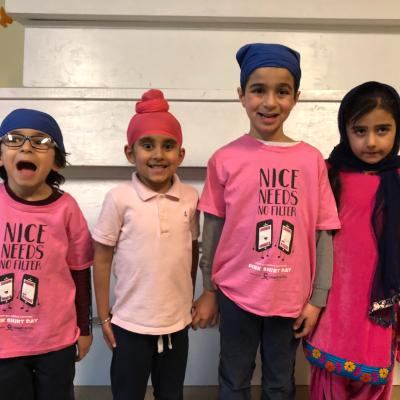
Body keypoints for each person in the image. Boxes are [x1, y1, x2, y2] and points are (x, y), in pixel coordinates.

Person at [191, 43, 341, 400]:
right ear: (241, 95)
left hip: (291, 298)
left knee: (280, 382)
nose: (270, 102)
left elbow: (323, 232)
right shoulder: (224, 159)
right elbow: (212, 231)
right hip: (235, 293)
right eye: (258, 90)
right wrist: (209, 290)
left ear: (296, 97)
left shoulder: (311, 161)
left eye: (282, 91)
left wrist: (317, 299)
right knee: (233, 378)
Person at [93, 89, 200, 400]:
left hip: (176, 325)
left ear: (181, 154)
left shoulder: (190, 197)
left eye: (168, 146)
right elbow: (101, 259)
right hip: (130, 325)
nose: (158, 154)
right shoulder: (119, 198)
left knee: (171, 394)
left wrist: (188, 297)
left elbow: (192, 249)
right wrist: (104, 316)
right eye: (147, 145)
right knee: (127, 393)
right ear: (130, 153)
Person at [304, 81, 400, 400]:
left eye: (382, 130)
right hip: (333, 302)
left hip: (380, 306)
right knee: (329, 381)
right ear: (345, 130)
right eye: (360, 130)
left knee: (372, 381)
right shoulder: (328, 174)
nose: (371, 142)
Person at [0, 108, 93, 400]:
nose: (26, 147)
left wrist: (85, 328)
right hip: (4, 345)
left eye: (40, 142)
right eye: (14, 139)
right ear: (0, 156)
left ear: (56, 161)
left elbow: (80, 271)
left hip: (55, 342)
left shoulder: (67, 209)